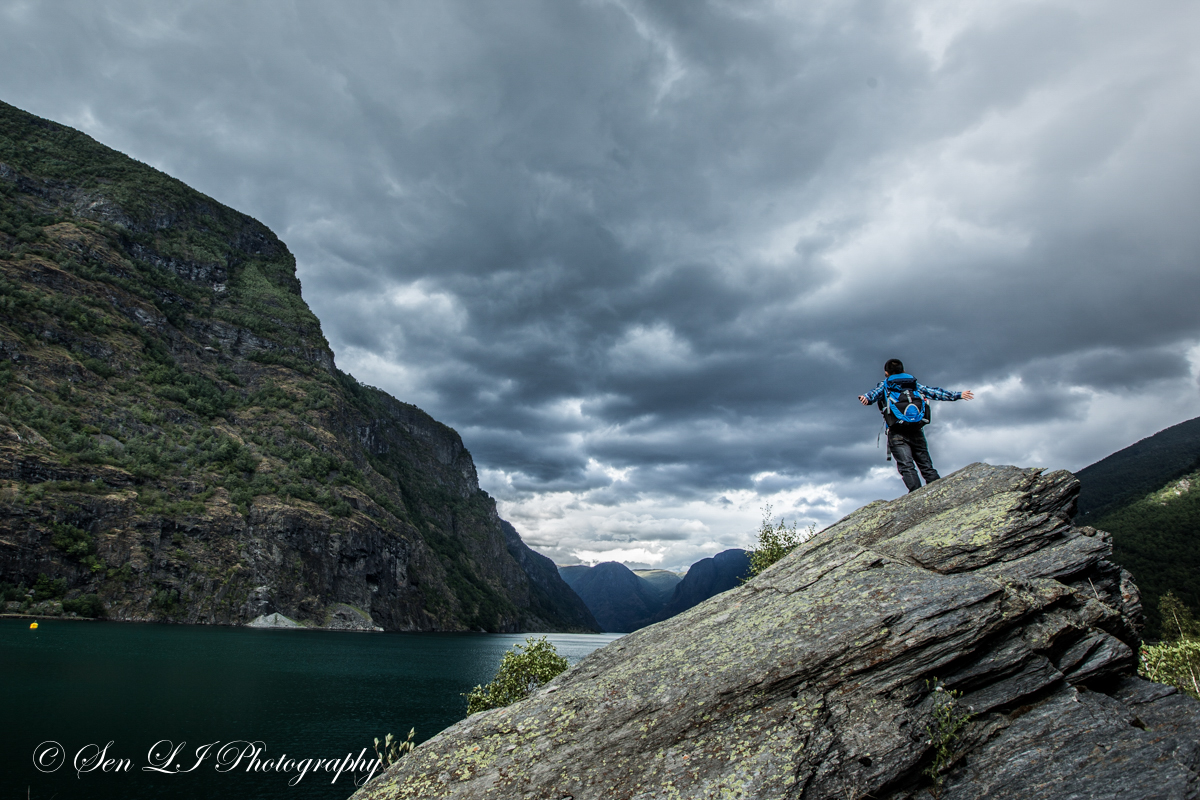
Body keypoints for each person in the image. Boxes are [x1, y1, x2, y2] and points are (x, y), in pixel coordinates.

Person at [858, 358, 974, 492]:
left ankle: (916, 496)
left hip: (896, 432)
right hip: (916, 429)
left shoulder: (885, 385)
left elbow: (872, 395)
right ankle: (941, 493)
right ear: (903, 370)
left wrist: (865, 397)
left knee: (907, 467)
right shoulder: (914, 384)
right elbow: (935, 392)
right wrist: (958, 395)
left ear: (886, 373)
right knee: (926, 466)